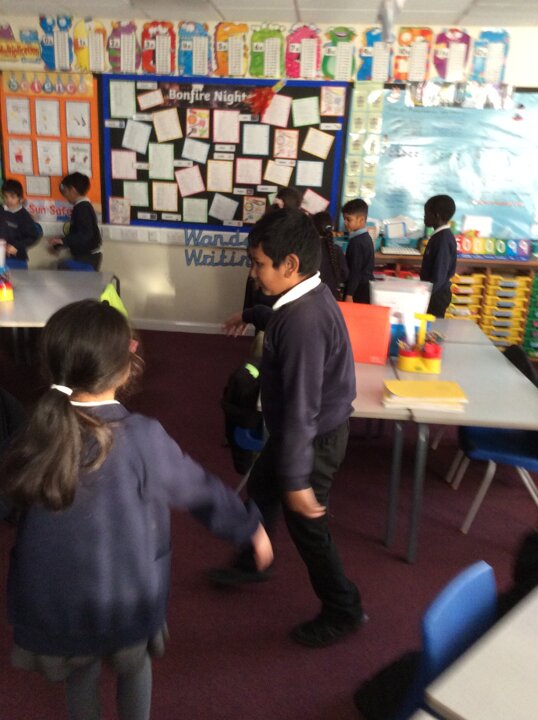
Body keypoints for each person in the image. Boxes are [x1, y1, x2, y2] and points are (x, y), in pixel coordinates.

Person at [0, 299, 272, 720]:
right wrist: (248, 527)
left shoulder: (33, 434)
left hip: (59, 601)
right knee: (135, 666)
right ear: (125, 369)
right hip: (127, 596)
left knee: (80, 675)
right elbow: (199, 489)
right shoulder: (142, 437)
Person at [210, 209, 364, 648]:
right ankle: (252, 558)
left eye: (258, 264)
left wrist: (297, 481)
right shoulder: (304, 296)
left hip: (313, 439)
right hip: (299, 434)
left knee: (308, 528)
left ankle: (344, 608)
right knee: (260, 491)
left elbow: (301, 409)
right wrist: (251, 313)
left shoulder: (302, 322)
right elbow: (277, 314)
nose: (253, 271)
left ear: (290, 264)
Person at [49, 173, 102, 270]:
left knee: (62, 267)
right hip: (86, 256)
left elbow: (86, 233)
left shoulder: (82, 208)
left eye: (65, 191)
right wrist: (61, 243)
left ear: (73, 190)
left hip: (88, 258)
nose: (64, 196)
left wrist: (64, 241)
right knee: (62, 266)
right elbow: (79, 233)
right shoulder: (82, 206)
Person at [420, 194, 457, 318]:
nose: (424, 217)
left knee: (432, 325)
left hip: (436, 295)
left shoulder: (442, 240)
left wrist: (423, 294)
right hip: (433, 292)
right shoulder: (438, 236)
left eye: (426, 214)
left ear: (437, 216)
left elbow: (439, 276)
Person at [342, 198, 374, 304]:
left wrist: (349, 294)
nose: (345, 223)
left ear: (361, 220)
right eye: (344, 219)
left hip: (357, 291)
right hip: (363, 287)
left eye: (348, 219)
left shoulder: (357, 242)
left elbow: (355, 271)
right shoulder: (366, 237)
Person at [1, 179, 40, 264]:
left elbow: (32, 237)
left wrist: (17, 246)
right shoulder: (1, 210)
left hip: (17, 258)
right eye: (5, 197)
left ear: (20, 198)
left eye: (12, 197)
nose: (9, 200)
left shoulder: (24, 216)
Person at [312, 211, 349, 300]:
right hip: (333, 297)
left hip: (312, 298)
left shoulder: (309, 250)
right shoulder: (337, 249)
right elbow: (345, 274)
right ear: (332, 227)